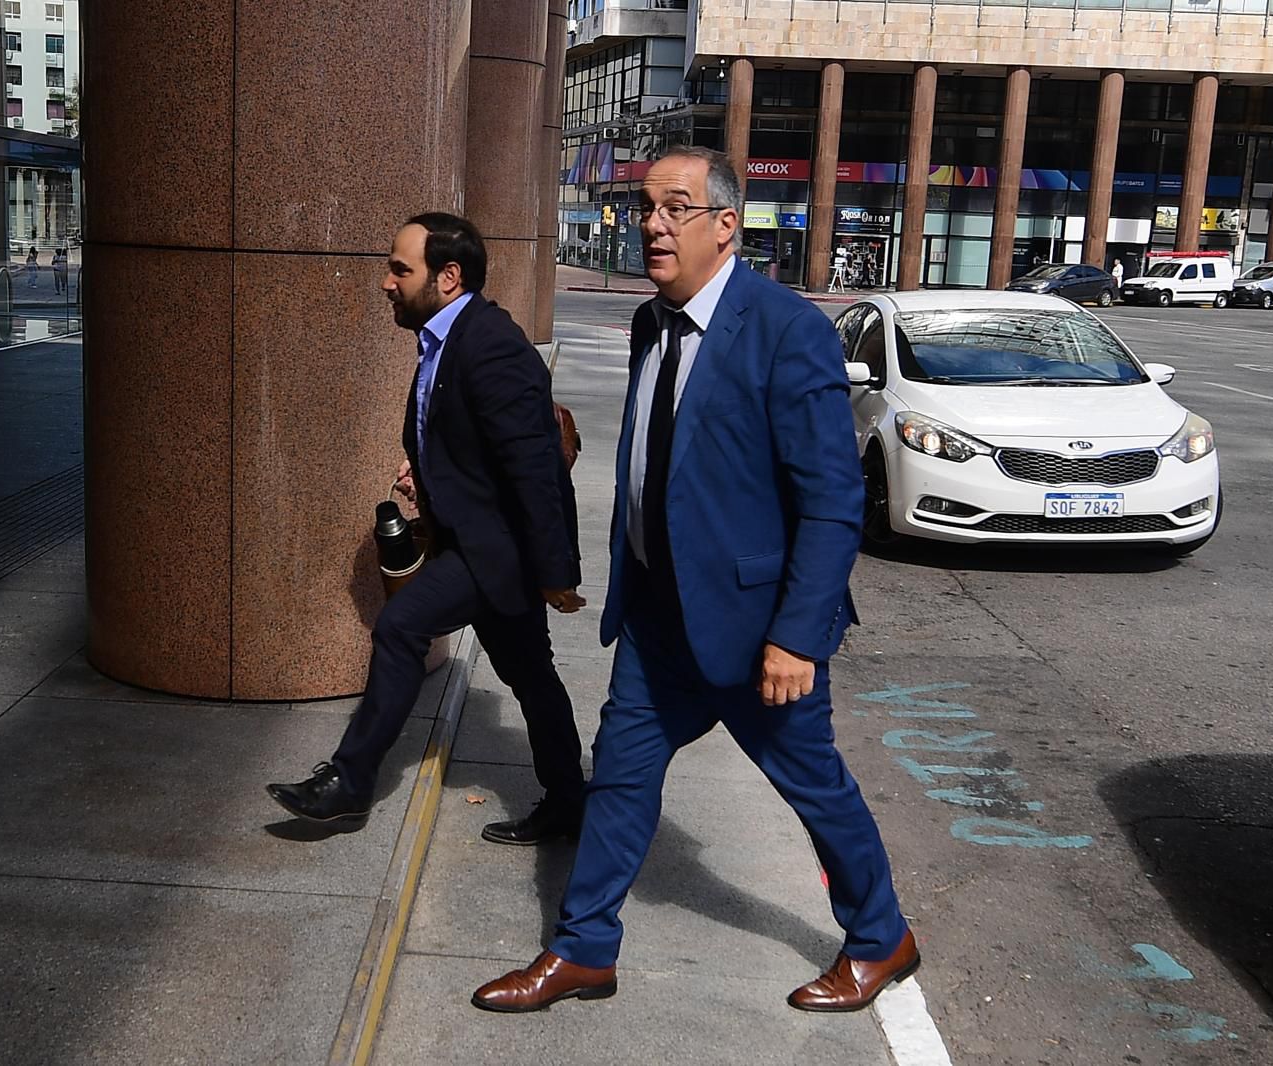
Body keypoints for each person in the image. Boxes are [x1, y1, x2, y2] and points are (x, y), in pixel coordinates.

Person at [472, 147, 916, 1014]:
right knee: (620, 778)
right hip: (657, 618)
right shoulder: (653, 322)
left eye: (676, 208)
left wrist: (796, 636)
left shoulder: (786, 330)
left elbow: (832, 501)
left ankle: (880, 938)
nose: (653, 225)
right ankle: (583, 949)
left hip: (756, 630)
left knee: (814, 787)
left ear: (725, 225)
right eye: (646, 208)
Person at [267, 212, 589, 846]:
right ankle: (570, 801)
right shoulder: (447, 338)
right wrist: (427, 475)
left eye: (400, 269)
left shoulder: (492, 345)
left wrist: (557, 572)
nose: (386, 282)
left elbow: (534, 467)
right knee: (530, 674)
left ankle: (349, 783)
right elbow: (469, 442)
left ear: (448, 276)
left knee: (401, 625)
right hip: (477, 541)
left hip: (497, 550)